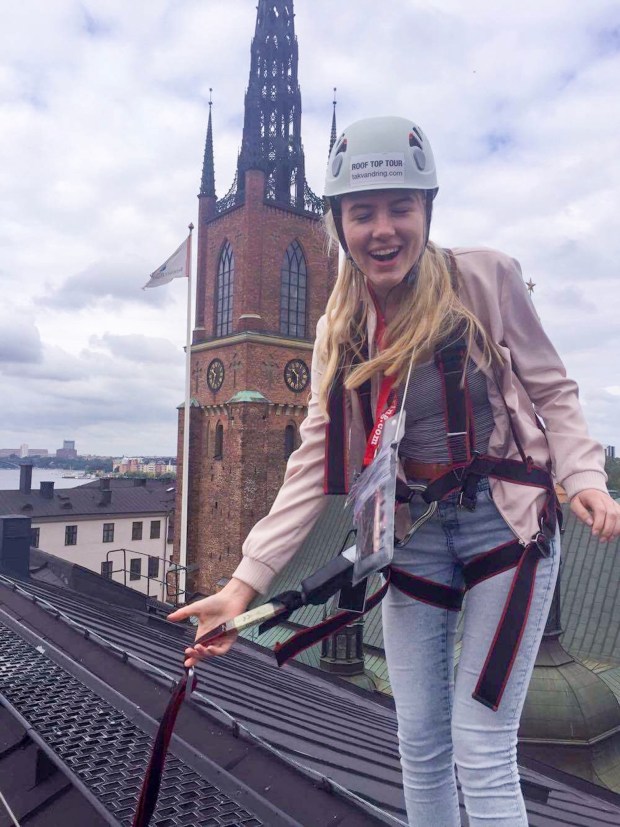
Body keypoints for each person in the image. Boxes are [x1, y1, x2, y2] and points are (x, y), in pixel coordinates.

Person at [169, 116, 620, 826]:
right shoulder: (339, 327)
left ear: (427, 209)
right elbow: (315, 455)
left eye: (400, 207)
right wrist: (242, 583)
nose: (383, 229)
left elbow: (551, 387)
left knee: (481, 745)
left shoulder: (484, 278)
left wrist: (584, 475)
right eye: (363, 212)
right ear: (340, 224)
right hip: (414, 536)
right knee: (418, 742)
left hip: (508, 525)